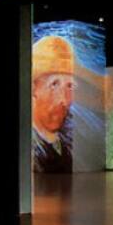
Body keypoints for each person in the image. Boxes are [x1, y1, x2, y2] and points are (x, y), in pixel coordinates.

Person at [31, 34, 75, 174]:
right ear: (33, 88)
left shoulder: (67, 138)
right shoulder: (30, 154)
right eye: (54, 84)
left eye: (69, 86)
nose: (64, 100)